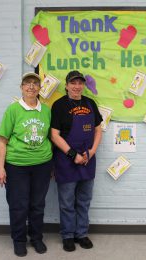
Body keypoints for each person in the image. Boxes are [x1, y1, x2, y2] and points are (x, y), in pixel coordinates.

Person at [0, 72, 53, 257]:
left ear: (40, 89)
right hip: (16, 166)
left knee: (38, 204)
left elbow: (50, 138)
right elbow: (2, 140)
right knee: (18, 204)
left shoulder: (46, 111)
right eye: (27, 83)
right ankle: (19, 240)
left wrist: (52, 165)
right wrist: (0, 167)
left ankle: (36, 238)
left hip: (42, 165)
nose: (31, 86)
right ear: (21, 87)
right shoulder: (13, 110)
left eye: (35, 83)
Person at [50, 70, 102, 252]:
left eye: (80, 83)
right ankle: (67, 235)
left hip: (88, 160)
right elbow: (54, 135)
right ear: (66, 85)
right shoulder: (59, 105)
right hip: (66, 161)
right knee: (66, 202)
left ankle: (81, 233)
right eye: (73, 83)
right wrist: (73, 155)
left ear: (83, 85)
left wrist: (92, 151)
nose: (77, 86)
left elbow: (98, 130)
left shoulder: (90, 103)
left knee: (84, 200)